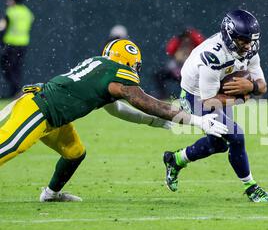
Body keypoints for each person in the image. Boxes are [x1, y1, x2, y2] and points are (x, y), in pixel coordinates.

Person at [0, 39, 228, 202]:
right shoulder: (118, 72)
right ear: (128, 62)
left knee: (74, 152)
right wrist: (196, 121)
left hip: (53, 117)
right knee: (9, 146)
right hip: (40, 109)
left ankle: (51, 194)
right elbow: (145, 102)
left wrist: (153, 122)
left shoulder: (101, 68)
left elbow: (116, 109)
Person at [162, 9, 268, 202]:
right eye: (242, 40)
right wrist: (243, 97)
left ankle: (176, 159)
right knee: (236, 136)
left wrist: (252, 86)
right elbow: (208, 101)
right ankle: (251, 188)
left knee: (219, 145)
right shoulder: (212, 56)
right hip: (194, 96)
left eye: (250, 40)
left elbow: (262, 86)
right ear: (229, 35)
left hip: (216, 92)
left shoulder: (250, 47)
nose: (248, 46)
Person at [0, 0, 34, 98]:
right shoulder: (27, 12)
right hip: (23, 43)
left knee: (7, 66)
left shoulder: (11, 11)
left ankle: (16, 88)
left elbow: (3, 27)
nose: (8, 2)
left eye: (10, 0)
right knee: (17, 67)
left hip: (11, 43)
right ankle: (16, 90)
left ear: (14, 1)